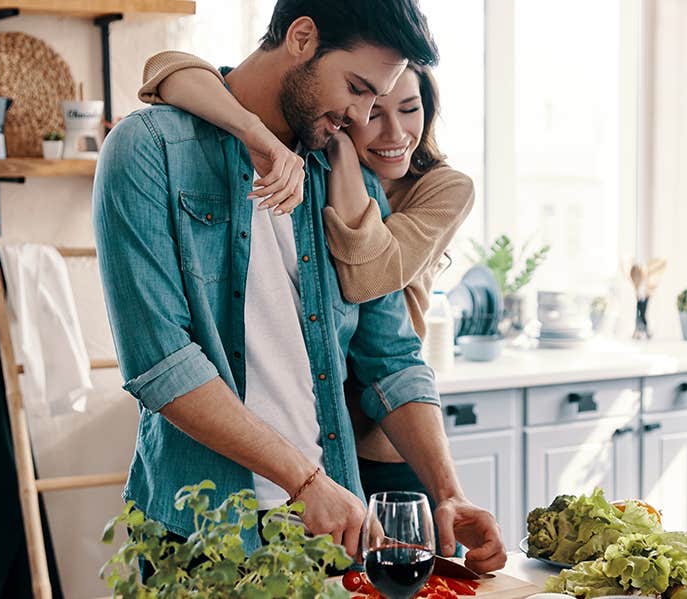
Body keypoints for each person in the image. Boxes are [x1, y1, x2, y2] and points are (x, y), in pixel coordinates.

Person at [93, 0, 504, 573]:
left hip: (332, 534)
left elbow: (390, 356)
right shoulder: (149, 151)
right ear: (303, 37)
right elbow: (162, 364)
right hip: (200, 537)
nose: (362, 117)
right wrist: (304, 480)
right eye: (357, 88)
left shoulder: (345, 175)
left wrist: (447, 491)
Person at [139, 50, 475, 518]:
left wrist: (337, 150)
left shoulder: (433, 187)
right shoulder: (166, 150)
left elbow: (376, 306)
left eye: (408, 108)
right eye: (365, 101)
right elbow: (167, 70)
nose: (389, 129)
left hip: (382, 445)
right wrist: (256, 134)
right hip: (297, 477)